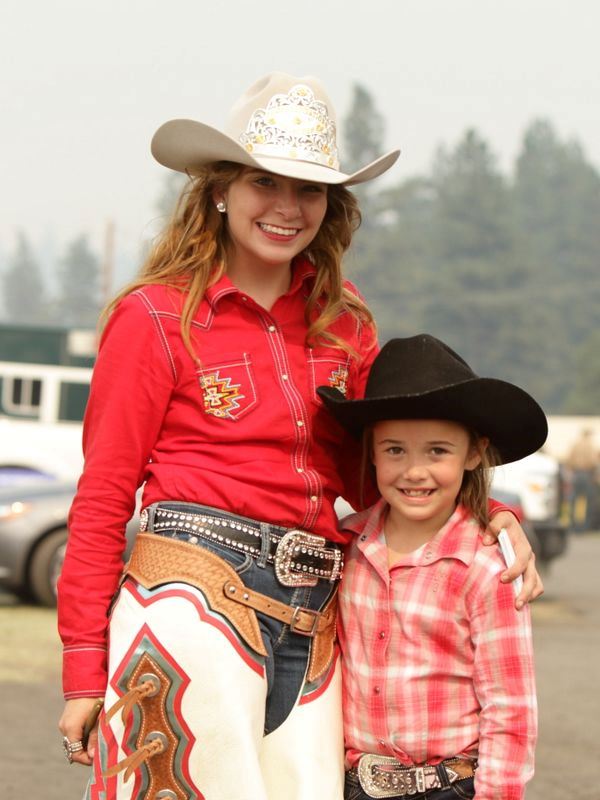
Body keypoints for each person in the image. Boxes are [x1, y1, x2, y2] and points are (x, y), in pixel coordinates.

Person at [57, 73, 541, 800]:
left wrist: (491, 513)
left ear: (331, 206)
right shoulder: (154, 317)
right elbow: (102, 496)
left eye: (309, 190)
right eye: (263, 182)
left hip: (318, 615)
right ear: (219, 189)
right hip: (189, 596)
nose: (287, 208)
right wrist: (83, 665)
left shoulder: (347, 323)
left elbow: (378, 472)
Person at [318, 334, 546, 800]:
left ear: (474, 453)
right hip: (352, 785)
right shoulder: (345, 547)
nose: (414, 471)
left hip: (450, 786)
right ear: (372, 451)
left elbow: (510, 707)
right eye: (395, 450)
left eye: (437, 451)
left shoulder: (487, 569)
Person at [565, 427, 599, 532]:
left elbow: (569, 459)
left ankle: (573, 525)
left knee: (574, 500)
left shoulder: (575, 445)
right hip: (586, 474)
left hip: (576, 474)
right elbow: (594, 462)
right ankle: (584, 527)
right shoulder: (590, 446)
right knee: (588, 500)